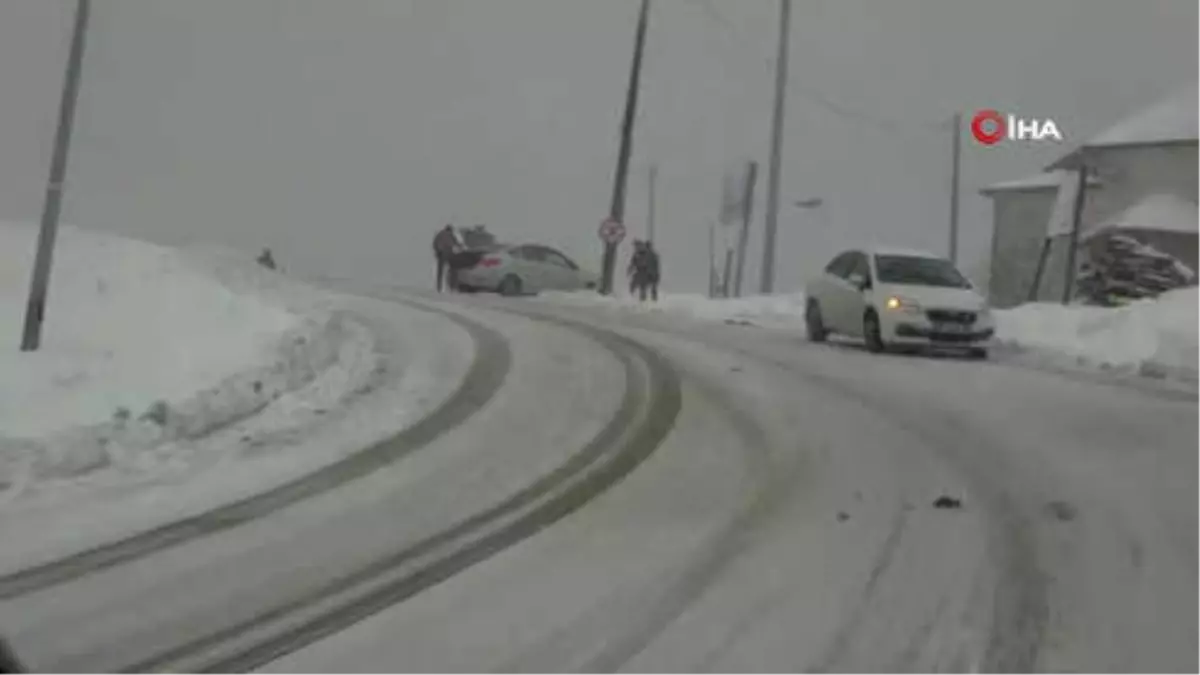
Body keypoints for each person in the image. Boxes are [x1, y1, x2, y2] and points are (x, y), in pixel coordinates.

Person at [432, 224, 461, 292]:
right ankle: (452, 287)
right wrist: (460, 246)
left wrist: (437, 251)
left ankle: (439, 288)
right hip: (448, 252)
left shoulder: (440, 234)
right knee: (453, 271)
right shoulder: (450, 235)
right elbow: (456, 242)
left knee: (440, 272)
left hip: (442, 253)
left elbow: (435, 243)